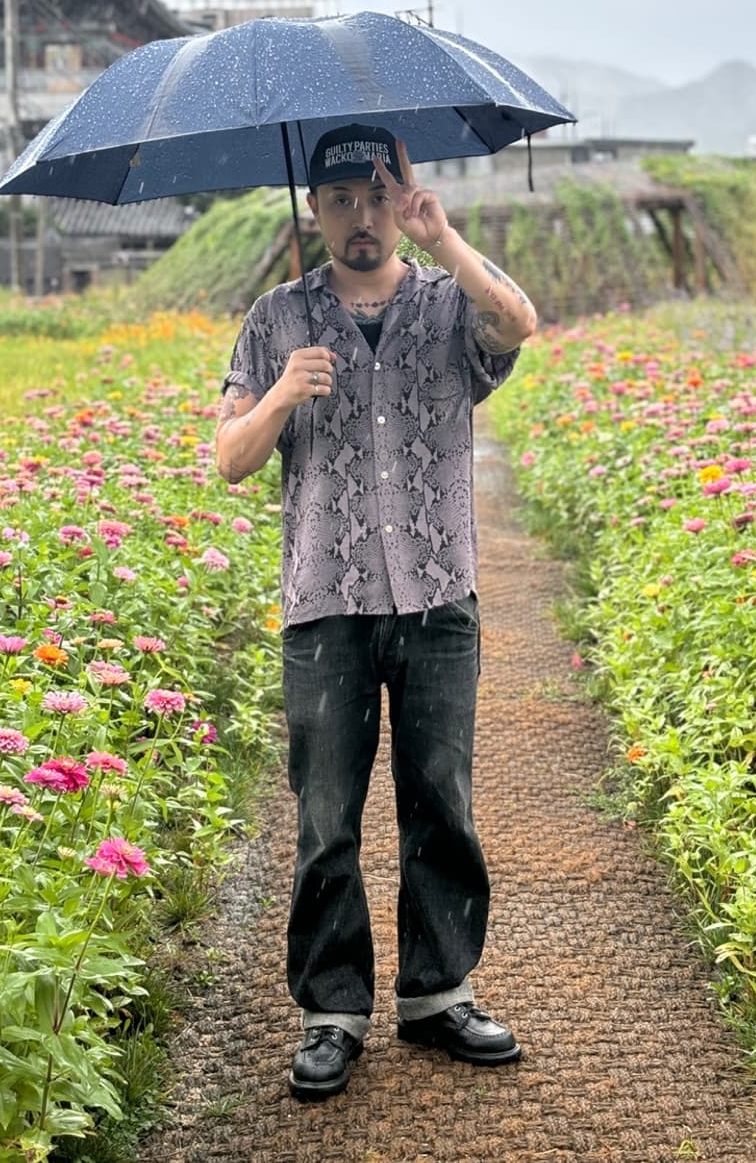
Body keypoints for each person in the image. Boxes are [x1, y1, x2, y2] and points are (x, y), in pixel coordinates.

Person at [215, 123, 538, 1101]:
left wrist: (446, 239)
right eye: (342, 200)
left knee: (442, 797)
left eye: (378, 196)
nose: (362, 217)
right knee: (326, 814)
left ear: (403, 201)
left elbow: (519, 323)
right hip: (327, 603)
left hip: (438, 594)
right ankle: (332, 1010)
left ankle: (439, 995)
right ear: (313, 214)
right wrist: (280, 396)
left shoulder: (447, 305)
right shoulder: (277, 319)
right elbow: (227, 460)